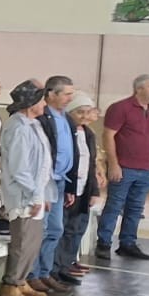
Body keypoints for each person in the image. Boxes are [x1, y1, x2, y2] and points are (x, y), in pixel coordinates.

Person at [0, 82, 53, 296]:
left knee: (33, 241)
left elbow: (42, 163)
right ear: (31, 104)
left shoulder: (33, 124)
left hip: (35, 192)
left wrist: (44, 193)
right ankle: (11, 284)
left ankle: (21, 280)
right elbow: (20, 168)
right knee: (23, 240)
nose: (44, 104)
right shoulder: (18, 127)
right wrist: (33, 196)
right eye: (41, 100)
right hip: (23, 194)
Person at [97, 74, 149, 261]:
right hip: (124, 167)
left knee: (135, 208)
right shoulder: (120, 108)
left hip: (145, 169)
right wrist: (114, 164)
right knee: (114, 206)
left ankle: (127, 243)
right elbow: (108, 135)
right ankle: (103, 243)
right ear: (139, 88)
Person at [29, 75, 77, 296]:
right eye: (66, 93)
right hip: (45, 181)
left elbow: (73, 152)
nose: (70, 98)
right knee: (42, 229)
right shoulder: (42, 116)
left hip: (60, 180)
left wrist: (70, 187)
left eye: (71, 93)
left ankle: (45, 272)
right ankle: (32, 274)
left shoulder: (66, 117)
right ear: (51, 94)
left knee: (56, 229)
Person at [52, 93, 100, 286]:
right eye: (80, 112)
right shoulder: (65, 131)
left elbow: (91, 164)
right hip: (68, 187)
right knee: (62, 228)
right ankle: (56, 268)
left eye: (87, 112)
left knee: (77, 228)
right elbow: (67, 162)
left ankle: (67, 263)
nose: (84, 116)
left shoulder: (88, 134)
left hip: (83, 188)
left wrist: (94, 190)